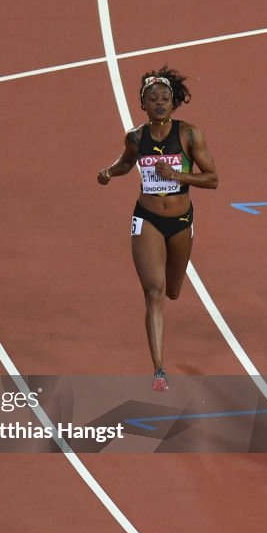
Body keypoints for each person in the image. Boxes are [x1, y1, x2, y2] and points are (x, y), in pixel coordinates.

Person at [97, 67, 218, 391]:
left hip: (180, 221)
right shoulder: (136, 138)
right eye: (153, 99)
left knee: (172, 290)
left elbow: (213, 179)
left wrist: (177, 176)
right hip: (147, 218)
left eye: (165, 97)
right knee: (153, 292)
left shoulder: (190, 135)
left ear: (174, 102)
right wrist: (109, 172)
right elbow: (126, 162)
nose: (160, 102)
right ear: (143, 104)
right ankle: (159, 371)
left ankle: (166, 276)